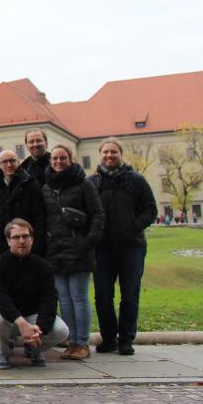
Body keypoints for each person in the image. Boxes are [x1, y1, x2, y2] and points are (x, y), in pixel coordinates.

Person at [90, 137, 158, 356]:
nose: (109, 156)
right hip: (103, 248)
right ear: (100, 155)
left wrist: (133, 227)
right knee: (102, 295)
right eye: (106, 152)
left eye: (114, 152)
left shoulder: (135, 180)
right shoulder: (92, 183)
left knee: (129, 295)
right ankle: (109, 338)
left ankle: (126, 339)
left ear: (121, 154)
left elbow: (150, 209)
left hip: (132, 246)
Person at [42, 144, 104, 361]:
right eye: (55, 159)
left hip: (79, 250)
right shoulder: (47, 187)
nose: (58, 162)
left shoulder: (84, 184)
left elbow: (97, 215)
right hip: (56, 251)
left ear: (71, 159)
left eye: (63, 158)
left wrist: (88, 242)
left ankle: (82, 342)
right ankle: (71, 342)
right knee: (64, 299)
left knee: (79, 297)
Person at [0, 218, 69, 369]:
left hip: (34, 316)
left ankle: (34, 349)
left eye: (25, 236)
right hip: (9, 316)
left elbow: (49, 299)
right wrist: (21, 322)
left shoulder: (43, 266)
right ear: (8, 240)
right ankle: (3, 353)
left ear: (32, 239)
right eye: (16, 237)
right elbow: (0, 298)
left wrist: (40, 328)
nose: (22, 241)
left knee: (61, 331)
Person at [0, 149, 47, 264]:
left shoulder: (30, 183)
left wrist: (35, 245)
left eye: (12, 161)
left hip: (24, 244)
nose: (9, 165)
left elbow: (39, 217)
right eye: (4, 162)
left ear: (18, 162)